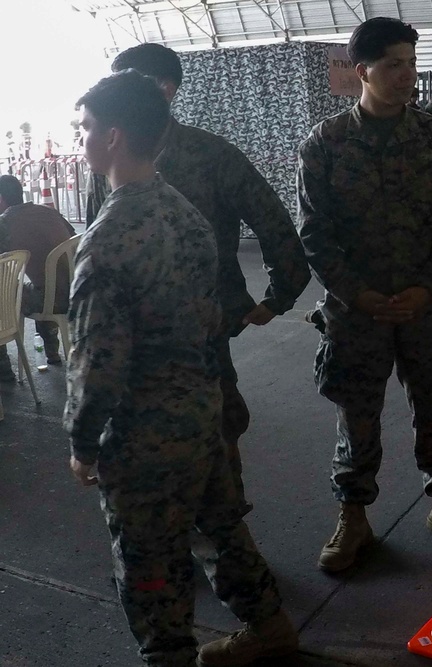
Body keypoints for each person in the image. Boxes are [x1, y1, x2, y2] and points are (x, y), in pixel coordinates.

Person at [67, 69, 297, 667]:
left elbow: (100, 360)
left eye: (86, 128)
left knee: (147, 561)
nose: (81, 139)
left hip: (142, 427)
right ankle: (268, 623)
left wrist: (83, 442)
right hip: (202, 403)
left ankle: (168, 657)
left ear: (114, 137)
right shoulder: (184, 214)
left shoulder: (108, 239)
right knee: (219, 525)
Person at [84, 43, 311, 509]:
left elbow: (272, 220)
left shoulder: (211, 154)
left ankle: (225, 531)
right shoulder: (109, 149)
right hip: (130, 330)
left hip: (204, 324)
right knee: (140, 438)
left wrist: (280, 295)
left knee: (216, 427)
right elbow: (95, 229)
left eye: (126, 79)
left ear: (165, 90)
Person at [297, 17, 432, 573]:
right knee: (357, 414)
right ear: (362, 70)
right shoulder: (324, 146)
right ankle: (353, 516)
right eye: (395, 64)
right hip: (357, 314)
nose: (408, 76)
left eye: (412, 63)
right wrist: (358, 295)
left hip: (427, 309)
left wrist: (426, 288)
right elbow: (314, 233)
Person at [0, 175, 75, 377]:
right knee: (43, 280)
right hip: (76, 289)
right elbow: (73, 235)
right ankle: (52, 350)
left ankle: (2, 364)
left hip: (49, 299)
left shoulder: (5, 223)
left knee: (6, 287)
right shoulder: (48, 212)